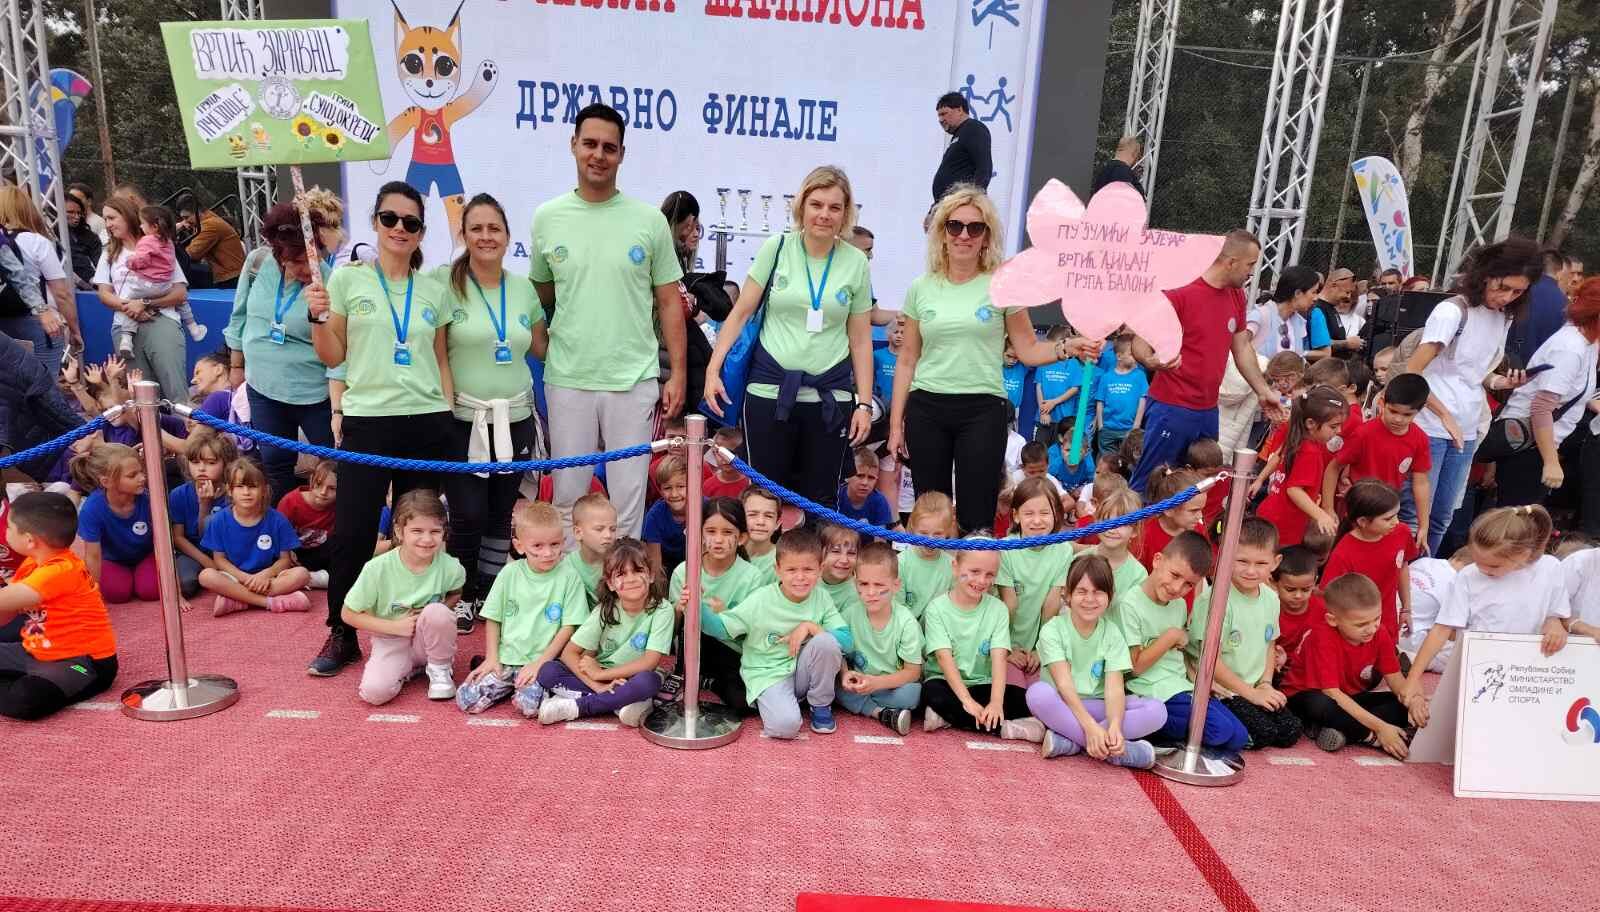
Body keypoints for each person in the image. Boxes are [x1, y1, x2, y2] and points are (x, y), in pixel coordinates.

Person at [305, 181, 458, 677]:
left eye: (410, 222)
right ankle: (342, 631)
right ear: (375, 222)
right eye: (390, 218)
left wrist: (447, 415)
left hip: (426, 422)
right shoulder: (347, 280)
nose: (399, 228)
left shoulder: (433, 287)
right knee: (352, 532)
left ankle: (419, 630)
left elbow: (440, 358)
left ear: (421, 232)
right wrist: (317, 316)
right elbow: (333, 354)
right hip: (368, 421)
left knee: (420, 532)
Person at [887, 185, 1100, 535]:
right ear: (942, 232)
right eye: (955, 226)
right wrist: (896, 425)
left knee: (977, 514)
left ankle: (974, 569)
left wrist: (1067, 347)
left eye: (975, 227)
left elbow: (1028, 348)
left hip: (982, 409)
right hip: (927, 408)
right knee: (931, 513)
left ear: (987, 236)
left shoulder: (1005, 285)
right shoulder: (920, 288)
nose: (964, 235)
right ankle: (933, 570)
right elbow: (907, 359)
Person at [531, 104, 687, 543]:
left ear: (621, 154)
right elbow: (539, 298)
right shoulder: (547, 217)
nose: (598, 155)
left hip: (632, 378)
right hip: (568, 378)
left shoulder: (648, 221)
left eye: (609, 147)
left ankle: (625, 581)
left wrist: (677, 372)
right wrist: (546, 348)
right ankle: (569, 578)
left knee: (628, 497)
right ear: (573, 146)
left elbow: (669, 302)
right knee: (568, 496)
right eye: (590, 144)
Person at [704, 166, 874, 509]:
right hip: (769, 391)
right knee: (765, 499)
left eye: (834, 207)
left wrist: (865, 404)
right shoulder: (778, 247)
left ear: (845, 214)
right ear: (802, 207)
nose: (824, 215)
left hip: (829, 397)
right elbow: (741, 312)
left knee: (820, 504)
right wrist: (713, 369)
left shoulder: (856, 262)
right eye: (817, 205)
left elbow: (860, 339)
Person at [437, 194, 548, 625]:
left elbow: (542, 347)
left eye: (494, 228)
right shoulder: (444, 284)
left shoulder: (522, 289)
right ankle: (462, 593)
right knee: (467, 513)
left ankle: (488, 590)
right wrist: (445, 414)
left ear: (507, 235)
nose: (486, 236)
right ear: (463, 235)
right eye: (477, 228)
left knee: (502, 513)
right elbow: (438, 355)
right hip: (464, 420)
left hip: (516, 418)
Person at [1402, 237, 1542, 554]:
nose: (1506, 297)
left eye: (1517, 292)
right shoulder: (1452, 311)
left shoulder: (1503, 316)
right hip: (1430, 426)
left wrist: (1501, 382)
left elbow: (1474, 373)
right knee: (1416, 517)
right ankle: (1408, 576)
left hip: (1466, 427)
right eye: (1503, 287)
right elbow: (1413, 372)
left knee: (1442, 517)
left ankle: (1426, 573)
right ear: (1485, 275)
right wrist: (1443, 414)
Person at [1129, 230, 1288, 493]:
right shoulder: (1180, 291)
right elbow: (1140, 340)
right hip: (1172, 406)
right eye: (1250, 265)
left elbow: (1242, 347)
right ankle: (1133, 520)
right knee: (1152, 484)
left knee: (1200, 486)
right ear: (1231, 262)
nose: (1251, 272)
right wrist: (1150, 360)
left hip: (1207, 410)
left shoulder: (1236, 296)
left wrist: (1263, 391)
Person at [1406, 505, 1571, 730]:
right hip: (1477, 667)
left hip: (1527, 671)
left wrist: (1555, 624)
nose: (1483, 569)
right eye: (1477, 561)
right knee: (1470, 727)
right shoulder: (1468, 576)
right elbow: (1442, 628)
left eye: (1493, 565)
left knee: (1518, 727)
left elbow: (1557, 613)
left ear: (1523, 554)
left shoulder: (1550, 568)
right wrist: (1413, 677)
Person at [225, 198, 345, 503]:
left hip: (313, 393)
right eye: (297, 261)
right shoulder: (256, 264)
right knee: (275, 465)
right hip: (262, 387)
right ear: (279, 254)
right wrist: (236, 367)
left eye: (312, 258)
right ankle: (284, 525)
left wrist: (337, 408)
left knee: (336, 464)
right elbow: (239, 315)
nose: (307, 268)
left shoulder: (330, 282)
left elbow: (340, 347)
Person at [699, 528, 851, 738]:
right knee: (785, 727)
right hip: (769, 674)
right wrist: (697, 607)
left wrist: (810, 627)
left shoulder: (821, 597)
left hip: (802, 672)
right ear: (778, 570)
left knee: (826, 641)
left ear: (820, 569)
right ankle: (779, 703)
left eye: (808, 569)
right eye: (791, 570)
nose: (800, 577)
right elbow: (721, 628)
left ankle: (820, 705)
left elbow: (846, 641)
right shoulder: (761, 599)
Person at [1029, 553, 1165, 767]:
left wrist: (1115, 726)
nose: (1090, 599)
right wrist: (1090, 727)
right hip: (1063, 704)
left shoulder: (1112, 633)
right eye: (1082, 591)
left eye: (1098, 592)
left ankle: (1072, 742)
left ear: (1110, 596)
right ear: (1067, 594)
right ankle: (1118, 752)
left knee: (1157, 711)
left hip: (1099, 706)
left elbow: (1114, 690)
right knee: (1037, 694)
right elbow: (1064, 684)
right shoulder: (1053, 630)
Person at [455, 501, 590, 717]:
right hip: (506, 659)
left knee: (529, 706)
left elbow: (569, 626)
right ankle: (506, 683)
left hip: (542, 663)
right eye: (538, 546)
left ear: (564, 542)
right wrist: (492, 658)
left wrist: (541, 663)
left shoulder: (569, 576)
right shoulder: (509, 573)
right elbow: (493, 618)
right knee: (465, 700)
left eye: (555, 544)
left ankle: (530, 689)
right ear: (519, 546)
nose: (548, 553)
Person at [1121, 531, 1247, 754]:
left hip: (1179, 686)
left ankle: (1163, 731)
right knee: (1219, 730)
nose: (1177, 588)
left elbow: (1177, 656)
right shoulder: (1130, 604)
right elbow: (1135, 668)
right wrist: (1170, 637)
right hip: (1149, 690)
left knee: (1238, 737)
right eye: (1174, 575)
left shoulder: (1178, 604)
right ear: (1157, 560)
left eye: (1188, 584)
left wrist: (1197, 681)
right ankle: (1141, 724)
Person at [0, 493, 118, 720]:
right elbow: (6, 614)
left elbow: (11, 597)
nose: (6, 533)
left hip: (82, 662)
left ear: (30, 540)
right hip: (35, 650)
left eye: (10, 528)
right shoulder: (32, 564)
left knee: (25, 699)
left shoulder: (62, 569)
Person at [341, 491, 465, 705]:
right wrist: (395, 627)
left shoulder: (451, 567)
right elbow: (348, 614)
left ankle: (439, 668)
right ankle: (409, 667)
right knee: (374, 693)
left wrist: (437, 611)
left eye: (435, 531)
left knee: (437, 612)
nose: (427, 539)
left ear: (444, 532)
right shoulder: (376, 568)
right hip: (390, 639)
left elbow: (456, 593)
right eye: (417, 531)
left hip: (427, 641)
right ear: (399, 531)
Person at [1188, 518, 1302, 750]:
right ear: (1225, 556)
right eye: (1242, 561)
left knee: (1290, 730)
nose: (1251, 571)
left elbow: (1269, 644)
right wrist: (1251, 694)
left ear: (1275, 562)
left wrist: (1266, 684)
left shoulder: (1271, 598)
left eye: (1261, 563)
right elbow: (1211, 662)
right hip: (1218, 688)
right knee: (1263, 733)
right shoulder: (1216, 600)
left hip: (1252, 686)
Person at [535, 537, 672, 727]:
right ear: (610, 584)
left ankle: (578, 707)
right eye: (621, 574)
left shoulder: (662, 609)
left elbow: (649, 662)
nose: (631, 579)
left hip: (633, 676)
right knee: (548, 671)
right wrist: (598, 685)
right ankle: (621, 702)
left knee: (648, 682)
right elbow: (569, 653)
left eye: (638, 570)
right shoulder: (605, 609)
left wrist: (599, 675)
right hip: (601, 675)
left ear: (650, 575)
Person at [1281, 574, 1423, 758]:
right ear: (1333, 620)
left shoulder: (1379, 633)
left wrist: (1414, 700)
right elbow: (1331, 693)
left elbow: (1395, 678)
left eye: (1376, 619)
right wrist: (1381, 729)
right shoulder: (1322, 636)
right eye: (1361, 624)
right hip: (1307, 696)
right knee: (1319, 705)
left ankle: (1339, 731)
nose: (1371, 628)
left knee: (1400, 704)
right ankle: (1369, 736)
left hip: (1348, 697)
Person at [1493, 276, 1600, 507]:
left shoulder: (1588, 343)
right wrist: (1551, 462)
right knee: (1516, 518)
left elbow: (1571, 390)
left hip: (1538, 444)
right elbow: (1541, 407)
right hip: (1528, 446)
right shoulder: (1571, 348)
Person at [919, 538, 1041, 740]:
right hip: (946, 682)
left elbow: (999, 659)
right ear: (955, 567)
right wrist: (966, 701)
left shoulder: (998, 609)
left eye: (989, 574)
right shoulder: (936, 609)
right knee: (932, 693)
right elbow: (943, 658)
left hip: (983, 684)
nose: (982, 581)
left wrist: (996, 702)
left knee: (1028, 700)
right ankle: (1004, 729)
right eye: (975, 571)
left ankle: (949, 717)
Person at [92, 195, 191, 402]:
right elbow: (104, 294)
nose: (107, 224)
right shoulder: (109, 252)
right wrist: (130, 307)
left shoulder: (160, 246)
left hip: (162, 319)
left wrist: (145, 304)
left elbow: (180, 293)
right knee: (141, 397)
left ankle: (184, 423)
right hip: (124, 325)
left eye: (112, 218)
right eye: (105, 219)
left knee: (176, 391)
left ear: (128, 216)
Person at [671, 497, 764, 714]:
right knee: (692, 616)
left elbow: (751, 632)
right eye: (711, 531)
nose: (719, 540)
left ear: (741, 538)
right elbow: (670, 630)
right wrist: (679, 609)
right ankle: (684, 674)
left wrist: (725, 614)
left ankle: (709, 682)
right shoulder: (684, 571)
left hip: (733, 653)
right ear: (700, 535)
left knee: (743, 704)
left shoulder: (752, 577)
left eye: (727, 532)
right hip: (694, 647)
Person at [1323, 372, 1432, 550]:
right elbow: (1334, 468)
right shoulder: (1364, 433)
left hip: (1388, 515)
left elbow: (1421, 483)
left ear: (1421, 410)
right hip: (1357, 513)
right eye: (1393, 411)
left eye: (1407, 414)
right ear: (1382, 402)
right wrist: (1328, 509)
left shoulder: (1420, 439)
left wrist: (1424, 526)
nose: (1398, 419)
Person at [195, 459, 311, 616]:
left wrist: (265, 575)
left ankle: (237, 599)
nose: (246, 492)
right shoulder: (219, 520)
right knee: (206, 576)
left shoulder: (278, 520)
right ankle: (269, 602)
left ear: (264, 490)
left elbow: (285, 560)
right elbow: (219, 560)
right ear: (229, 490)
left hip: (268, 578)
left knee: (302, 574)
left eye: (252, 486)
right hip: (234, 577)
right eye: (240, 486)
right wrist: (245, 578)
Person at [837, 541, 922, 734]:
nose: (871, 592)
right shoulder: (849, 614)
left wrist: (876, 683)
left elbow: (913, 672)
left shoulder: (906, 622)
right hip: (859, 683)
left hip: (891, 686)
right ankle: (881, 713)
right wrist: (844, 674)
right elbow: (838, 652)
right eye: (864, 584)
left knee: (913, 693)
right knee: (835, 685)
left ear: (895, 585)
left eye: (879, 585)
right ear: (855, 583)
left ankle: (868, 706)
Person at [661, 190, 733, 411]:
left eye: (698, 228)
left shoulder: (680, 261)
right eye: (690, 227)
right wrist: (689, 304)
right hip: (664, 354)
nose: (695, 234)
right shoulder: (664, 259)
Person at [996, 477, 1070, 682]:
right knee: (1013, 690)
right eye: (1029, 513)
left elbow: (1051, 606)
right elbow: (1008, 605)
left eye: (1044, 513)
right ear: (1016, 516)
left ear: (1056, 514)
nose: (1037, 521)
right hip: (1004, 642)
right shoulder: (1005, 549)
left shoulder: (1063, 551)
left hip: (1040, 642)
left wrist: (1041, 648)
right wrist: (1006, 648)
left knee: (1043, 690)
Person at [1256, 386, 1346, 549]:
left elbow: (1277, 455)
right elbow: (1294, 490)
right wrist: (1320, 515)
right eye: (1333, 426)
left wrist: (1259, 479)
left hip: (1270, 512)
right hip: (1284, 523)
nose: (1339, 431)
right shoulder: (1310, 451)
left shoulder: (1296, 436)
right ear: (1310, 423)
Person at [113, 205, 207, 355]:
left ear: (154, 226)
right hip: (164, 286)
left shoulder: (146, 241)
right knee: (182, 302)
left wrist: (130, 262)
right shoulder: (168, 242)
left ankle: (126, 338)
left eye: (143, 223)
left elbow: (141, 259)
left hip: (145, 285)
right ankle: (193, 327)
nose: (140, 226)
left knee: (130, 302)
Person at [71, 443, 157, 604]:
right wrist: (92, 595)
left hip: (146, 555)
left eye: (141, 471)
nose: (142, 478)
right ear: (106, 482)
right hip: (113, 559)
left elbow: (164, 541)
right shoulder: (92, 509)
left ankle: (140, 575)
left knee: (150, 591)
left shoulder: (149, 499)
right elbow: (93, 555)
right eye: (132, 475)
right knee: (117, 594)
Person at [0, 184, 76, 359]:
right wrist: (74, 329)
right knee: (44, 375)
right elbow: (61, 294)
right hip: (37, 323)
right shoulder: (37, 242)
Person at [169, 429, 236, 599]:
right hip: (193, 551)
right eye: (194, 462)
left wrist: (219, 562)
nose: (201, 468)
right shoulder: (178, 494)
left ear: (226, 464)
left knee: (212, 521)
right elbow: (178, 538)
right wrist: (208, 562)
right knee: (186, 584)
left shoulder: (234, 492)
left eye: (211, 463)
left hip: (227, 551)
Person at [1506, 248, 1569, 367]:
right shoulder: (1565, 303)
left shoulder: (1519, 291)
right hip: (1542, 369)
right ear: (1559, 272)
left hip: (1509, 365)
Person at [278, 458, 336, 588]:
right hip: (292, 554)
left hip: (320, 556)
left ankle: (311, 578)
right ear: (311, 480)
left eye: (332, 488)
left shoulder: (339, 507)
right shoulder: (291, 502)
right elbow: (277, 533)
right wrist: (286, 553)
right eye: (319, 484)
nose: (323, 492)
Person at [897, 492, 955, 619]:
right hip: (908, 627)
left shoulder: (952, 566)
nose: (930, 540)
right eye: (923, 533)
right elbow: (898, 610)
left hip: (939, 626)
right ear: (913, 527)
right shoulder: (900, 563)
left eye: (937, 534)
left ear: (948, 531)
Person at [1248, 265, 1321, 358]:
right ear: (1298, 293)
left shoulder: (1299, 323)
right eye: (1314, 292)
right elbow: (1238, 350)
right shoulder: (1259, 316)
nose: (1316, 298)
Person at [175, 191, 245, 289]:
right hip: (227, 273)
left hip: (230, 277)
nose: (185, 221)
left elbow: (190, 255)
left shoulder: (210, 225)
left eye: (186, 217)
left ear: (197, 211)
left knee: (180, 268)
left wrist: (173, 237)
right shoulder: (207, 219)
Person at [931, 92, 992, 201]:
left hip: (960, 203)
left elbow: (984, 168)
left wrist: (972, 200)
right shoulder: (959, 134)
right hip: (946, 203)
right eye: (939, 116)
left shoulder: (974, 128)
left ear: (959, 110)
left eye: (944, 114)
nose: (940, 120)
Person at [1270, 545, 1322, 674]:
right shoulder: (1268, 611)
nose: (1298, 596)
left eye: (1305, 589)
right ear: (1274, 582)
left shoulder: (1323, 610)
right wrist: (1276, 659)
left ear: (1315, 582)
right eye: (1290, 589)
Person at [1094, 337, 1147, 457]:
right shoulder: (1106, 377)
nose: (1135, 357)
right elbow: (1100, 402)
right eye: (1131, 354)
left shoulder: (1139, 376)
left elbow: (1142, 400)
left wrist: (1136, 425)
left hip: (1129, 429)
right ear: (1119, 356)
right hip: (1108, 429)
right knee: (1107, 461)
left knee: (1128, 460)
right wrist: (1101, 425)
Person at [563, 491, 618, 604]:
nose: (608, 535)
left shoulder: (619, 563)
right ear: (578, 532)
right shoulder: (567, 566)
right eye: (599, 529)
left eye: (612, 529)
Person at [642, 453, 689, 576]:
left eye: (681, 486)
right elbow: (656, 565)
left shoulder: (705, 509)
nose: (674, 494)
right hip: (666, 570)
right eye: (667, 488)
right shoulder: (655, 516)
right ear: (661, 490)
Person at [1310, 268, 1363, 361]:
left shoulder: (1332, 308)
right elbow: (1319, 343)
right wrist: (1346, 343)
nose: (1348, 296)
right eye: (1347, 292)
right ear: (1334, 285)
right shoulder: (1318, 308)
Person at [836, 447, 894, 529]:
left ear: (877, 479)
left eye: (871, 477)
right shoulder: (837, 496)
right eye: (860, 476)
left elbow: (880, 535)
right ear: (847, 476)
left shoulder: (879, 501)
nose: (865, 483)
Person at [740, 486, 782, 586]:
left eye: (768, 516)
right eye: (752, 514)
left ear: (777, 523)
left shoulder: (783, 560)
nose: (761, 522)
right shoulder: (728, 553)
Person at [62, 192, 101, 289]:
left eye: (79, 213)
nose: (76, 217)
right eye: (71, 212)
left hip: (91, 285)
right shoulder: (53, 236)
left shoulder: (90, 237)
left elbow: (100, 262)